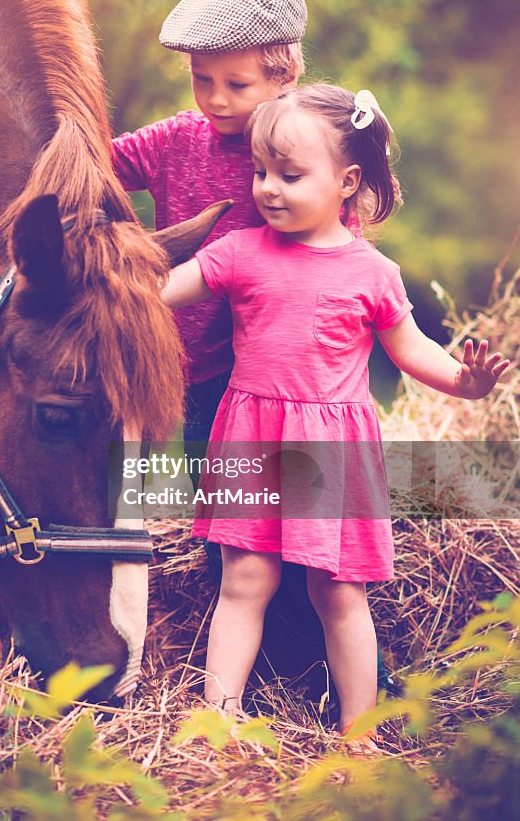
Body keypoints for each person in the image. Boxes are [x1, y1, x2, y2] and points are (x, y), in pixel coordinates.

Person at [162, 84, 510, 749]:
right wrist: (103, 280)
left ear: (347, 182)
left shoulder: (372, 272)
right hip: (250, 434)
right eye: (261, 172)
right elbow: (160, 292)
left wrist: (465, 384)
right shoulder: (238, 251)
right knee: (244, 579)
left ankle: (359, 733)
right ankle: (220, 720)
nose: (268, 188)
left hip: (331, 444)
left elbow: (411, 350)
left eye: (290, 175)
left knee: (338, 591)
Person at [111, 0, 307, 462]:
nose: (216, 99)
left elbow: (336, 247)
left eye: (237, 85)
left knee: (285, 491)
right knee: (218, 494)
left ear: (284, 77)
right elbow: (93, 163)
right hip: (194, 360)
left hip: (273, 363)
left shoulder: (309, 152)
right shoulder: (175, 140)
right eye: (203, 80)